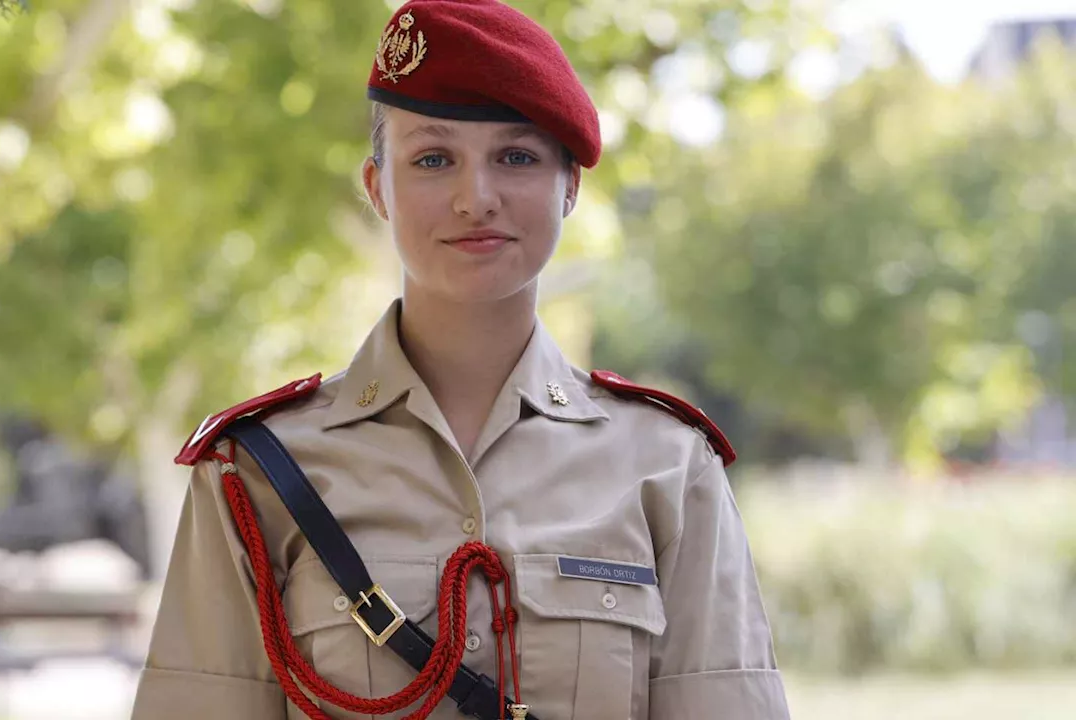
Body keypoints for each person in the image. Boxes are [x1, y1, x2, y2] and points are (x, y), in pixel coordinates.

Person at [132, 0, 790, 718]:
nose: (476, 198)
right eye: (433, 158)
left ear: (569, 185)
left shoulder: (667, 464)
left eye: (516, 157)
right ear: (378, 187)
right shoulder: (253, 471)